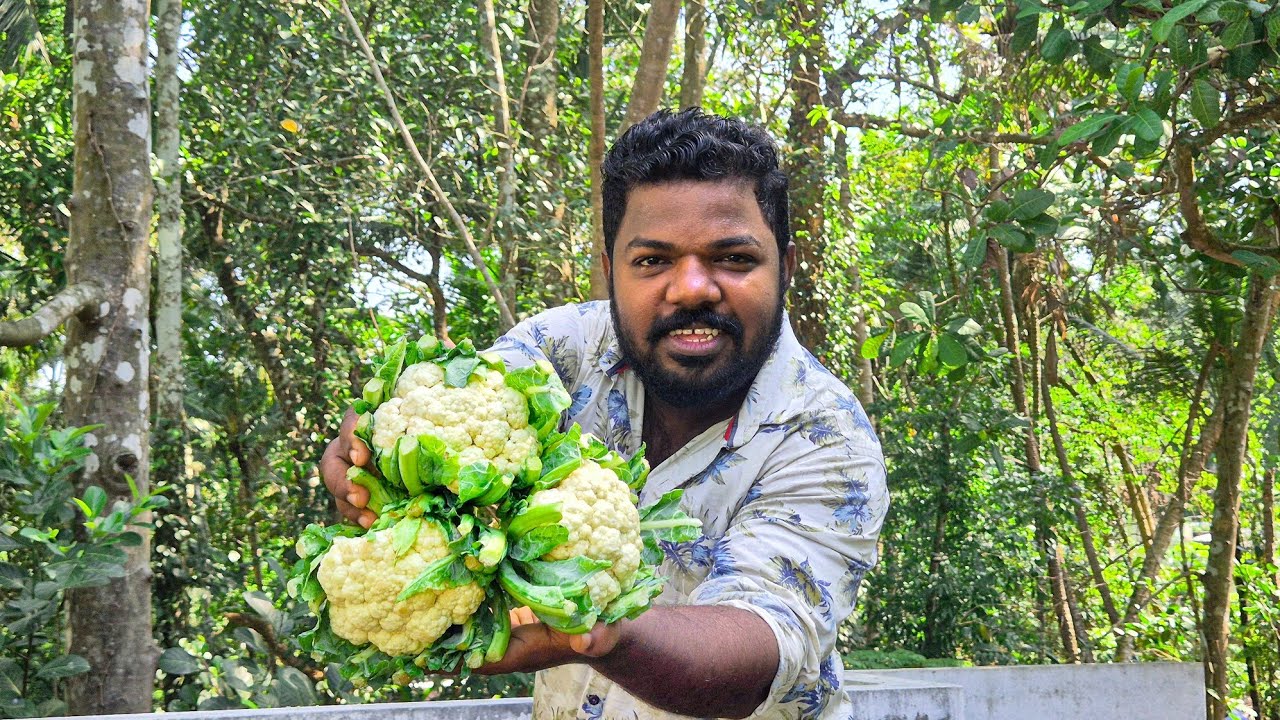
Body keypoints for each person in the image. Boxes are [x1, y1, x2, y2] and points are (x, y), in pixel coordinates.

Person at [320, 108, 889, 719]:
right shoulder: (562, 353)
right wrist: (374, 452)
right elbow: (436, 416)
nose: (692, 288)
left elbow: (762, 647)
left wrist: (600, 630)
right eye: (652, 261)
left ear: (787, 265)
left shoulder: (827, 437)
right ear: (611, 265)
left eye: (732, 258)